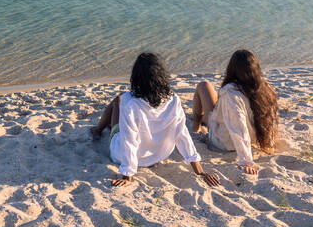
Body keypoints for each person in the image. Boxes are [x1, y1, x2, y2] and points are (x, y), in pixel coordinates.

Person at [91, 52, 220, 187]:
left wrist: (127, 176)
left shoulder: (130, 101)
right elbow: (182, 135)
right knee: (121, 106)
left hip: (123, 156)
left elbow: (130, 141)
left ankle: (98, 130)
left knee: (118, 100)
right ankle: (100, 128)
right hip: (159, 155)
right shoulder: (173, 99)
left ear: (136, 77)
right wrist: (200, 171)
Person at [192, 49, 279, 175]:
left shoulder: (231, 95)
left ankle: (196, 128)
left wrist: (246, 161)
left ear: (231, 69)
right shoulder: (265, 88)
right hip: (254, 138)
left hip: (224, 142)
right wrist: (269, 141)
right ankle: (201, 123)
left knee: (203, 85)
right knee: (216, 103)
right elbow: (270, 116)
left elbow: (238, 127)